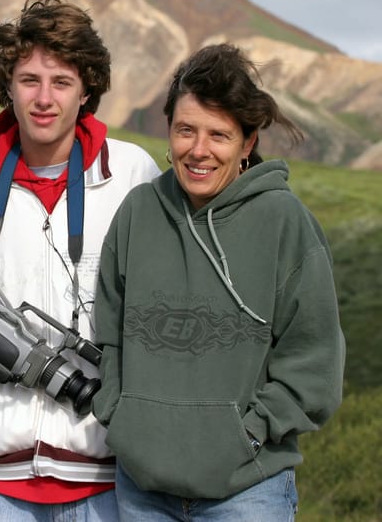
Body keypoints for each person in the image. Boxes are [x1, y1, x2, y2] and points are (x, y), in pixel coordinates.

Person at [0, 0, 161, 521]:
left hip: (109, 479)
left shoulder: (134, 174)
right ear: (8, 87)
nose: (44, 98)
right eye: (29, 80)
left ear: (86, 89)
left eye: (61, 82)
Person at [92, 42, 346, 520]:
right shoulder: (138, 213)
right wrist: (122, 418)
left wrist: (248, 433)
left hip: (247, 492)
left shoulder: (284, 222)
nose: (199, 150)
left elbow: (314, 363)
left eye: (219, 135)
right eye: (186, 130)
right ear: (169, 131)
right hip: (141, 493)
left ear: (247, 143)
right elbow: (109, 334)